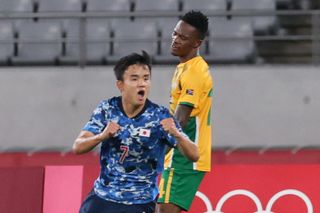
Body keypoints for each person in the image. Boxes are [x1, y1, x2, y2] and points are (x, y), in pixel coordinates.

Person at [72, 51, 199, 213]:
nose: (142, 84)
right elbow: (78, 147)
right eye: (135, 79)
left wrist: (177, 134)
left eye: (146, 78)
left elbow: (194, 155)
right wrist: (102, 136)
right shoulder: (107, 109)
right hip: (102, 197)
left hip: (140, 203)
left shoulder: (160, 117)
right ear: (121, 85)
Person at [157, 11, 213, 213]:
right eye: (175, 34)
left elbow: (179, 120)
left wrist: (152, 148)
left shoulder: (194, 72)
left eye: (183, 37)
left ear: (196, 43)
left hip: (184, 156)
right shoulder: (185, 67)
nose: (175, 40)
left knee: (164, 211)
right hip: (181, 155)